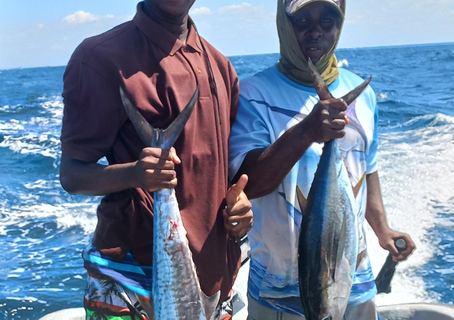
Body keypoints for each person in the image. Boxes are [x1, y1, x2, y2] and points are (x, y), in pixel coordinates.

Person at [60, 0, 253, 319]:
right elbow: (72, 174)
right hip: (131, 283)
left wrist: (239, 205)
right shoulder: (98, 57)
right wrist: (136, 174)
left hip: (216, 282)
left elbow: (220, 170)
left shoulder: (221, 66)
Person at [228, 0, 415, 319]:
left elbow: (366, 169)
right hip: (277, 296)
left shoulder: (363, 95)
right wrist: (307, 132)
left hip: (357, 284)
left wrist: (382, 230)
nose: (315, 31)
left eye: (327, 21)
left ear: (339, 27)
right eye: (302, 20)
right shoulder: (251, 94)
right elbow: (250, 183)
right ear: (284, 25)